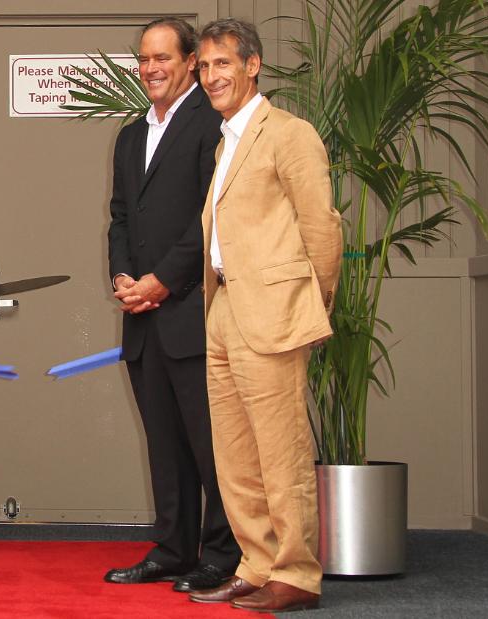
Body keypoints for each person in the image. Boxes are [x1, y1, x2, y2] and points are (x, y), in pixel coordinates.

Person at [189, 19, 341, 613]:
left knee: (281, 454)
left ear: (253, 65)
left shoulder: (289, 133)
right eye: (203, 66)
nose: (211, 76)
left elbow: (322, 230)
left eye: (222, 63)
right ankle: (256, 565)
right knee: (236, 457)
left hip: (273, 311)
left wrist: (309, 305)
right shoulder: (226, 140)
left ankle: (296, 574)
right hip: (224, 307)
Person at [104, 18, 240, 592]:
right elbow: (120, 217)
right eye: (143, 59)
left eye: (163, 58)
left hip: (192, 312)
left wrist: (162, 280)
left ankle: (223, 555)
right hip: (141, 317)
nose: (151, 69)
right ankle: (173, 548)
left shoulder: (214, 127)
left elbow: (210, 220)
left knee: (211, 446)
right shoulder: (130, 136)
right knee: (164, 443)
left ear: (190, 63)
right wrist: (124, 277)